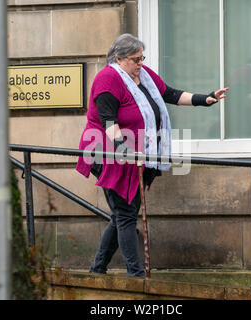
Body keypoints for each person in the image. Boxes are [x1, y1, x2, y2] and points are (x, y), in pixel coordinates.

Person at [76, 33, 228, 277]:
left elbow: (170, 94)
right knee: (125, 213)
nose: (140, 63)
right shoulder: (107, 79)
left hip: (138, 152)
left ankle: (97, 269)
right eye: (136, 59)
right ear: (119, 58)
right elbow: (109, 123)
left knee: (121, 215)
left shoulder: (142, 75)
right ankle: (136, 277)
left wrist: (205, 99)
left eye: (141, 58)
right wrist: (126, 152)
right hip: (107, 152)